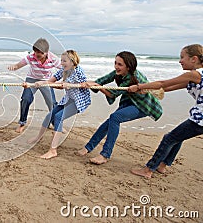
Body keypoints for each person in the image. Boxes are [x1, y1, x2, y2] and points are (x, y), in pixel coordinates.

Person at [128, 44, 203, 178]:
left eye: (182, 57)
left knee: (169, 138)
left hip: (200, 119)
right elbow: (168, 88)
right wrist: (147, 89)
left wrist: (139, 86)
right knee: (177, 137)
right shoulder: (196, 76)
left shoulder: (194, 74)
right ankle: (162, 166)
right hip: (199, 118)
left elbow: (163, 83)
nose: (180, 61)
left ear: (194, 59)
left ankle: (148, 170)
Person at [76, 51, 163, 164]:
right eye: (115, 63)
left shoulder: (133, 77)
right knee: (109, 122)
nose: (116, 66)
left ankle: (105, 155)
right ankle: (88, 147)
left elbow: (112, 94)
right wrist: (87, 83)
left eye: (120, 64)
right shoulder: (117, 73)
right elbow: (100, 81)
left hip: (143, 106)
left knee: (115, 117)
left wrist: (98, 86)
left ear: (128, 66)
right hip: (130, 101)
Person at [28, 50, 91, 159]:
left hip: (79, 101)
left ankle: (53, 150)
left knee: (58, 117)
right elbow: (51, 81)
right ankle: (38, 137)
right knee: (50, 116)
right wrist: (41, 83)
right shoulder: (63, 70)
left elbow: (61, 85)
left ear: (72, 61)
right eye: (61, 60)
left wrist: (63, 84)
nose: (61, 63)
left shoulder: (77, 71)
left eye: (64, 61)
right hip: (68, 98)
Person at [8, 38, 61, 133]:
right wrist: (13, 67)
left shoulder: (53, 58)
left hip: (46, 81)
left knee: (52, 103)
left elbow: (64, 69)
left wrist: (63, 81)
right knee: (25, 99)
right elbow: (18, 65)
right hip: (32, 79)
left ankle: (54, 123)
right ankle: (22, 123)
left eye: (39, 54)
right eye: (35, 52)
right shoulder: (30, 57)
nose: (37, 56)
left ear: (46, 52)